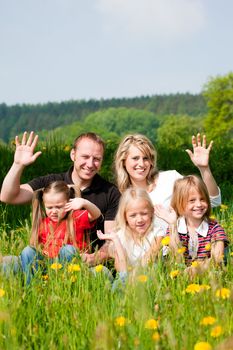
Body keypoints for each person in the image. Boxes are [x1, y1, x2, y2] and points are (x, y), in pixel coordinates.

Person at [0, 131, 121, 251]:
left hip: (92, 264)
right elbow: (8, 197)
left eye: (96, 159)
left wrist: (94, 259)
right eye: (85, 157)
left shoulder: (110, 192)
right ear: (73, 155)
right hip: (50, 261)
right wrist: (18, 165)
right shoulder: (52, 183)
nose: (90, 164)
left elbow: (111, 241)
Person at [114, 133, 221, 234]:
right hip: (151, 252)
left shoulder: (170, 179)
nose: (141, 164)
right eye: (135, 158)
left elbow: (213, 200)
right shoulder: (119, 195)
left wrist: (204, 168)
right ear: (123, 161)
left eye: (146, 158)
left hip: (183, 248)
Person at [20, 180, 101, 283]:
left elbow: (96, 214)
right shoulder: (43, 224)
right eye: (49, 207)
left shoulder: (75, 217)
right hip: (48, 265)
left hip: (69, 265)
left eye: (59, 207)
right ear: (44, 205)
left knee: (68, 250)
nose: (54, 211)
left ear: (68, 203)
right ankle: (33, 287)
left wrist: (84, 203)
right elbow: (39, 248)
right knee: (28, 251)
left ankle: (65, 284)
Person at [154, 175, 228, 277]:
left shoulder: (215, 228)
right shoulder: (175, 227)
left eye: (202, 199)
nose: (198, 204)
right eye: (192, 200)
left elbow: (216, 260)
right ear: (180, 203)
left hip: (209, 281)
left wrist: (191, 272)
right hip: (180, 284)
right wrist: (172, 225)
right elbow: (175, 260)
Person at [95, 188, 164, 280]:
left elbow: (149, 258)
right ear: (125, 217)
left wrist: (134, 275)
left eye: (144, 214)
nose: (139, 220)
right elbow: (120, 268)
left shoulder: (157, 233)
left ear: (152, 212)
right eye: (133, 215)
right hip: (126, 278)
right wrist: (116, 241)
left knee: (153, 268)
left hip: (148, 279)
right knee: (102, 272)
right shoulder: (120, 236)